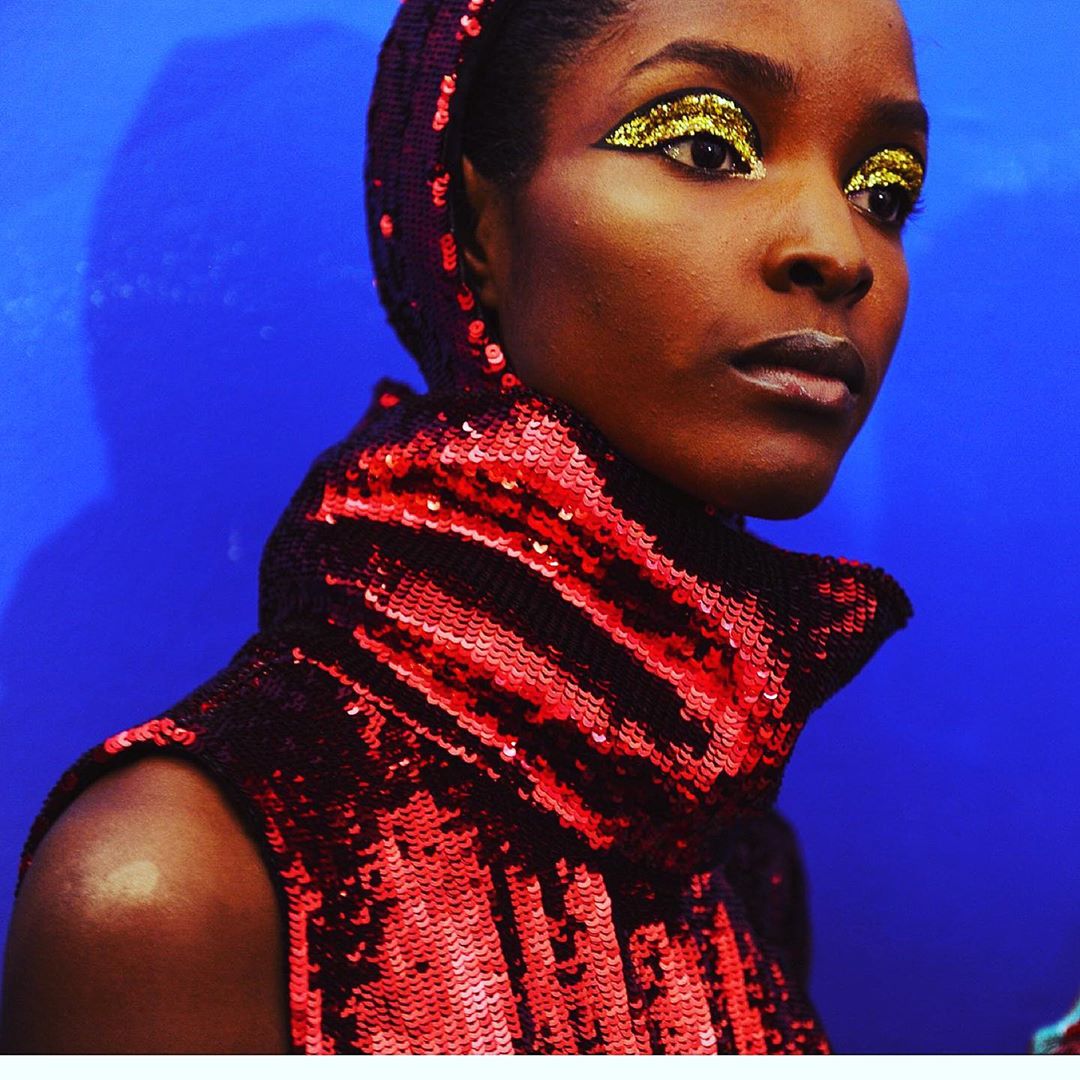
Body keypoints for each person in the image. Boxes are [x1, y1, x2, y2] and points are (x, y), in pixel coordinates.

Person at [1, 0, 926, 1054]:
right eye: (708, 145)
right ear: (478, 224)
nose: (837, 247)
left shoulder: (729, 846)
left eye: (885, 191)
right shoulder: (178, 880)